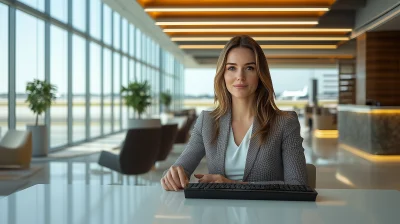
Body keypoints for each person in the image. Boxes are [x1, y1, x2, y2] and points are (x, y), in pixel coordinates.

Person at [161, 35, 307, 191]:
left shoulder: (285, 123)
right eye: (232, 68)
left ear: (260, 74)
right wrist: (173, 174)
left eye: (249, 68)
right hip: (219, 214)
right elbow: (180, 168)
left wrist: (232, 185)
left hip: (267, 214)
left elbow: (298, 185)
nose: (240, 77)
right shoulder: (207, 121)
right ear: (222, 74)